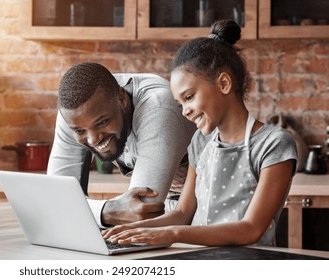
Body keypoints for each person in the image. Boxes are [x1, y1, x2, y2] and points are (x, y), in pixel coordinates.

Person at [103, 19, 298, 247]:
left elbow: (250, 229)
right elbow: (183, 213)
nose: (185, 111)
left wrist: (174, 234)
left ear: (224, 83)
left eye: (189, 97)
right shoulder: (200, 141)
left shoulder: (274, 144)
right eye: (180, 103)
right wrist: (129, 230)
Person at [47, 62, 196, 228]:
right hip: (167, 217)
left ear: (122, 99)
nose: (94, 139)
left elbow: (142, 211)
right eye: (80, 131)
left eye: (102, 122)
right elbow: (55, 198)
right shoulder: (75, 113)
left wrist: (75, 211)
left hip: (206, 214)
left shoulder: (159, 107)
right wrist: (107, 211)